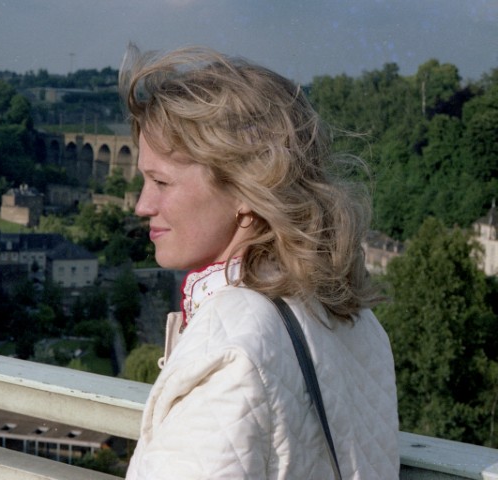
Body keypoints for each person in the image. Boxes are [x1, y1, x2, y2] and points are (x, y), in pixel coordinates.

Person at [119, 44, 399, 480]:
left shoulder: (229, 349)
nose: (142, 205)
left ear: (246, 191)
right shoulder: (356, 319)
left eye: (161, 182)